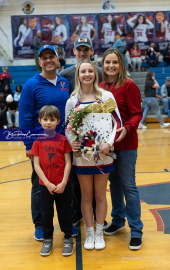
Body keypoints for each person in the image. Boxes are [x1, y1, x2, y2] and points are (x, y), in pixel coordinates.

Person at [65, 59, 122, 250]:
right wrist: (71, 140)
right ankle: (89, 234)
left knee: (100, 195)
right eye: (83, 72)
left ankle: (99, 232)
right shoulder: (72, 100)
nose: (87, 74)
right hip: (82, 156)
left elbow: (117, 124)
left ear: (95, 74)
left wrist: (109, 143)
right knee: (86, 196)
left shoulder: (106, 96)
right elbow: (68, 128)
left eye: (90, 71)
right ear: (78, 75)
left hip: (103, 155)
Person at [19, 45, 72, 241]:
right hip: (40, 144)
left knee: (66, 184)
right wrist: (27, 144)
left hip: (63, 144)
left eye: (52, 57)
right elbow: (24, 116)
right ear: (39, 62)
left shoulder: (65, 83)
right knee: (40, 185)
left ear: (58, 60)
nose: (48, 60)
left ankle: (67, 223)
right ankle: (40, 224)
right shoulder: (31, 85)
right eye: (44, 58)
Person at [60, 36, 109, 229]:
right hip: (76, 137)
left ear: (91, 51)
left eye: (85, 49)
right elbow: (65, 107)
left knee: (97, 178)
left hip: (98, 136)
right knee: (76, 177)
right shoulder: (65, 73)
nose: (82, 52)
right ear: (74, 51)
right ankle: (77, 213)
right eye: (79, 49)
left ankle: (99, 217)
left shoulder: (100, 72)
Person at [99, 48, 143, 250]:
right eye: (107, 62)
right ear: (103, 64)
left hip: (126, 145)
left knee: (128, 186)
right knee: (114, 184)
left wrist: (128, 127)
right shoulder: (99, 87)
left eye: (115, 62)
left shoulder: (129, 85)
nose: (111, 66)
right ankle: (118, 220)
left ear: (121, 64)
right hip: (107, 146)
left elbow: (136, 113)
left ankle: (136, 230)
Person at [31, 105, 73, 257]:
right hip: (45, 186)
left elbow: (68, 163)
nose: (48, 122)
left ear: (58, 121)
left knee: (65, 212)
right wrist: (47, 183)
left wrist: (63, 182)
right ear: (40, 120)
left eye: (52, 120)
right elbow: (36, 165)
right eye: (45, 119)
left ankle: (68, 238)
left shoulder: (63, 140)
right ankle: (47, 239)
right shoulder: (37, 141)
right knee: (46, 213)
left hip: (63, 185)